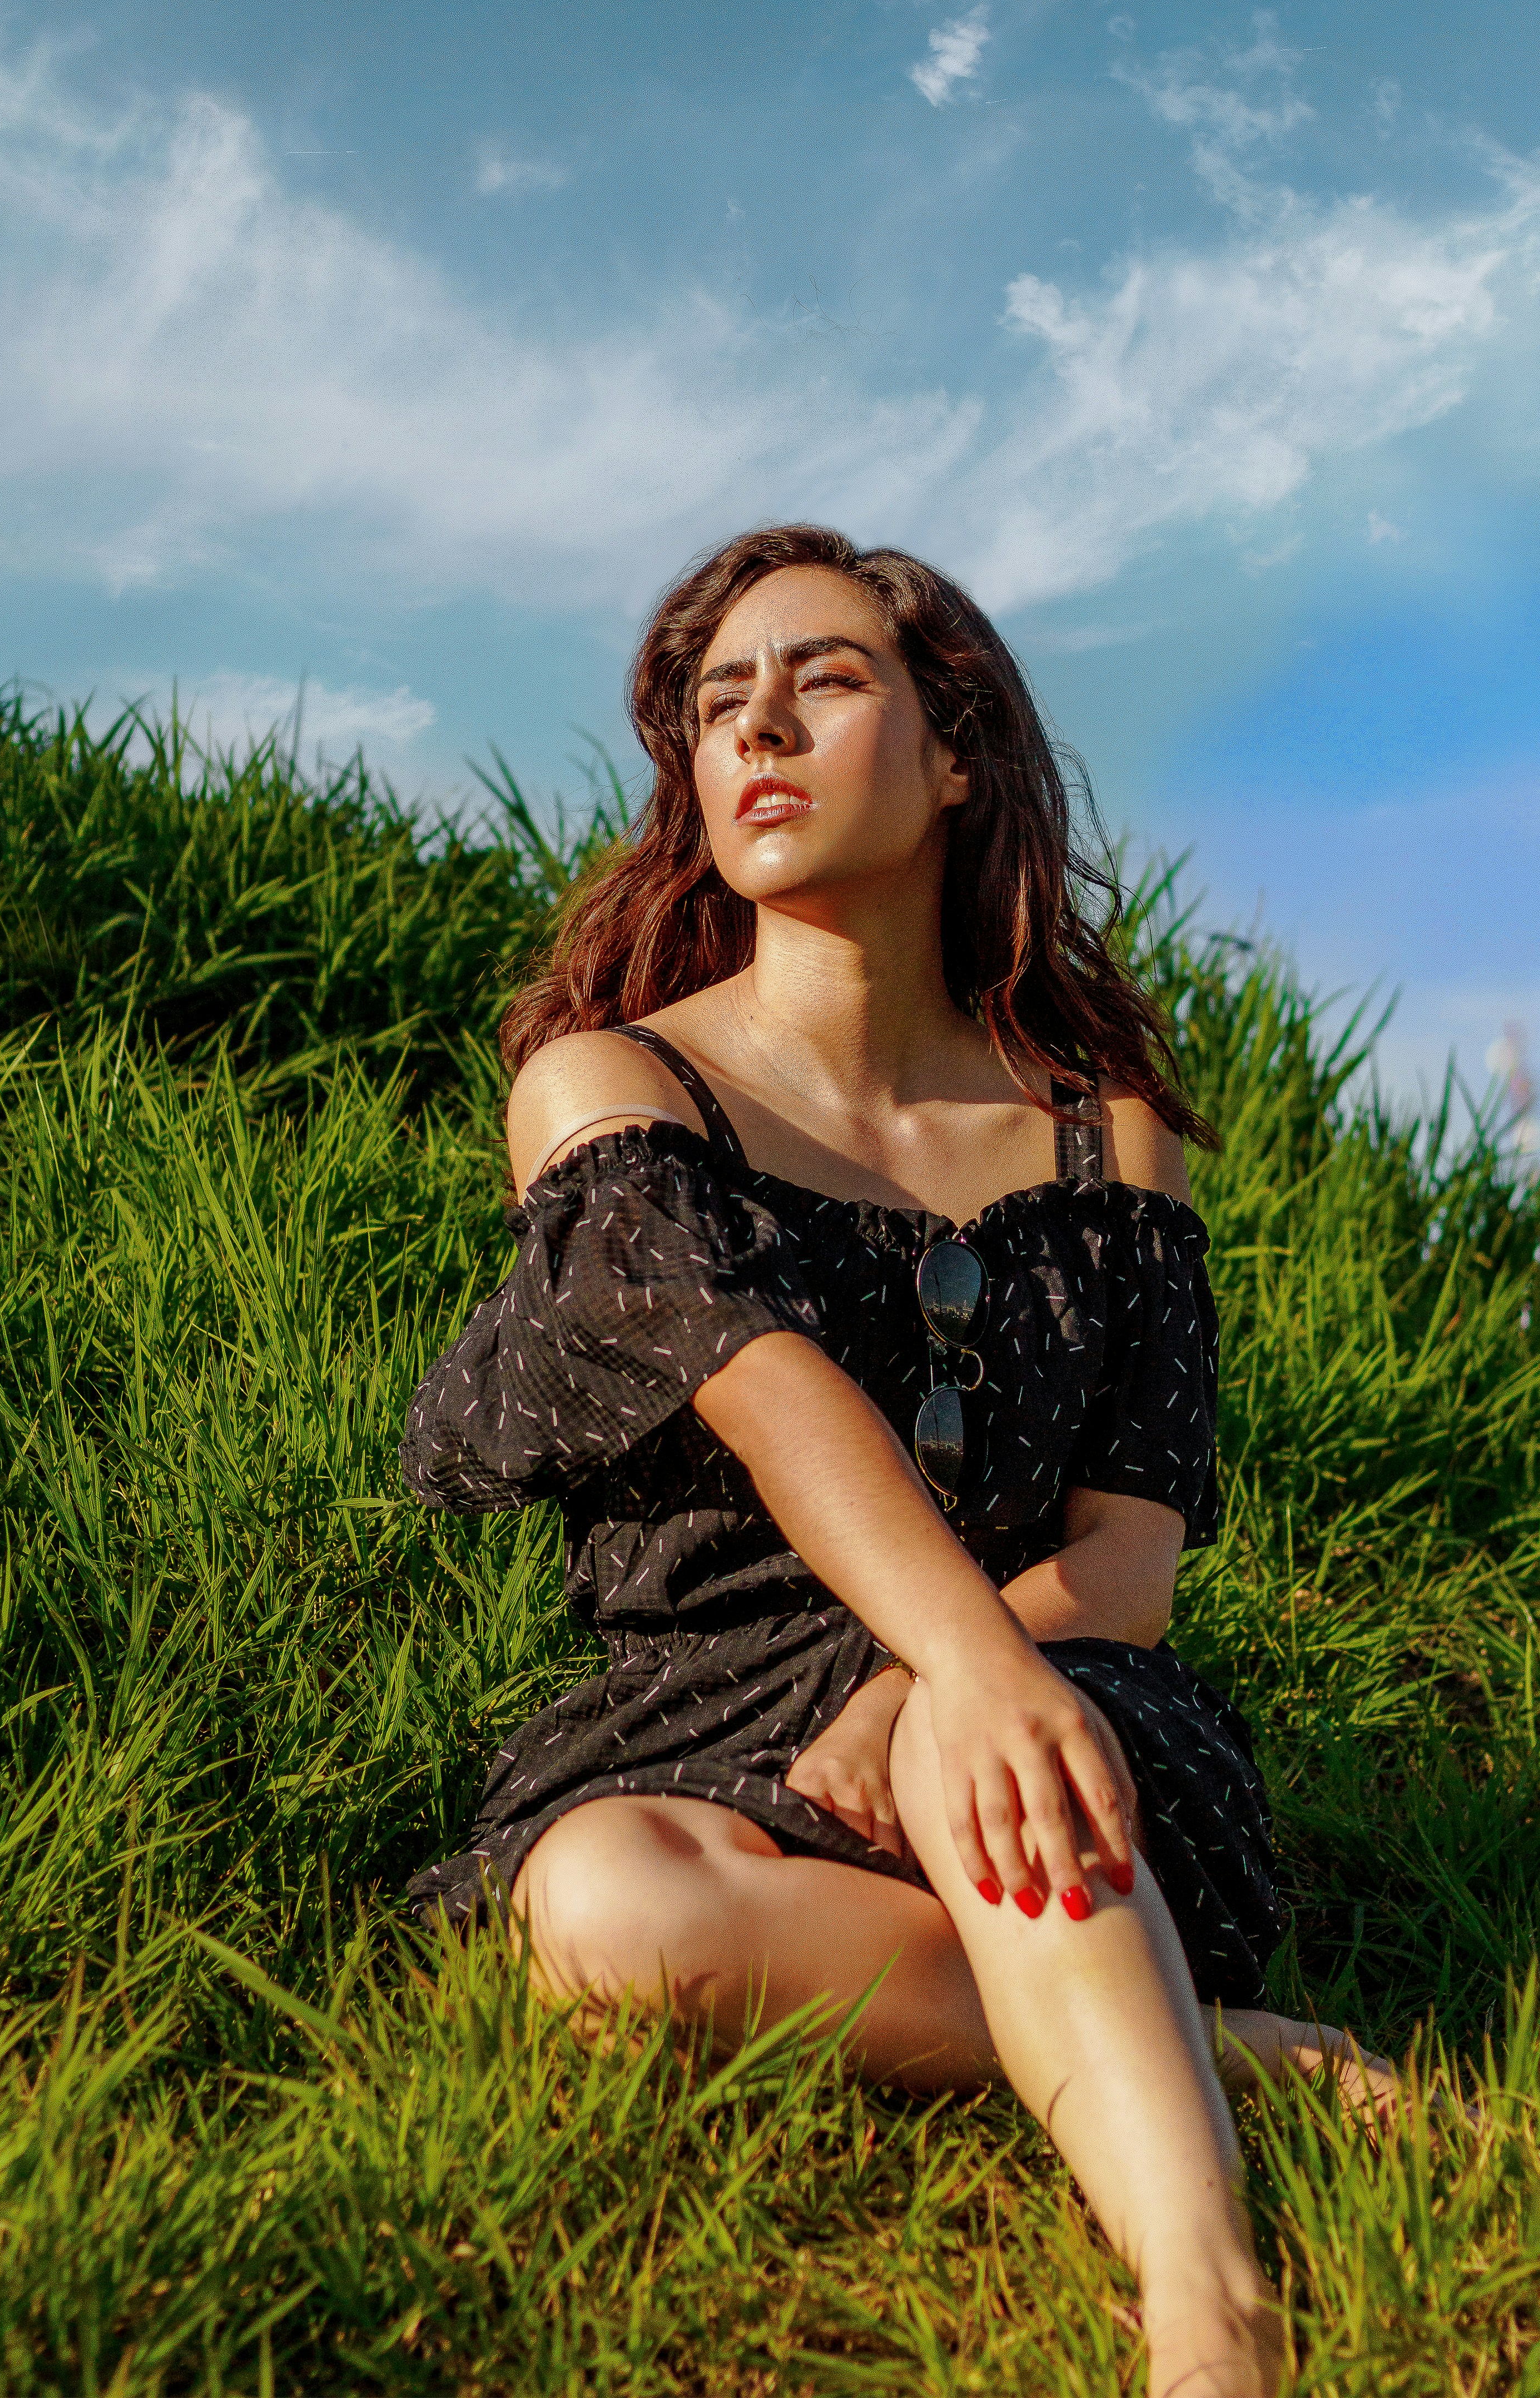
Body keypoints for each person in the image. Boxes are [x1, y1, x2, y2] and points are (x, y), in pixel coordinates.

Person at [401, 526, 1393, 2398]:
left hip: (1051, 1707)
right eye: (717, 703)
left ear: (956, 756)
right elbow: (772, 1392)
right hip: (710, 1726)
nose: (758, 723)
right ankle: (1218, 2034)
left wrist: (958, 1675)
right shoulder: (615, 1085)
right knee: (602, 1907)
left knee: (961, 1724)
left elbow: (1130, 1560)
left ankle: (1209, 2307)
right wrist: (930, 1663)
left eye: (826, 677)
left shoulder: (1107, 1144)